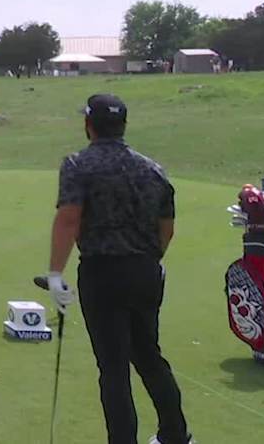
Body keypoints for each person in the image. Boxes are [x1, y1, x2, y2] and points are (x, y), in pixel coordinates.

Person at [46, 94, 193, 444]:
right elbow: (167, 228)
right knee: (148, 356)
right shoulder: (152, 169)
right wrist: (147, 261)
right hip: (146, 272)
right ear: (123, 126)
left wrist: (54, 274)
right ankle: (175, 435)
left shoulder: (78, 165)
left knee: (113, 368)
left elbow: (69, 219)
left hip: (102, 274)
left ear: (88, 125)